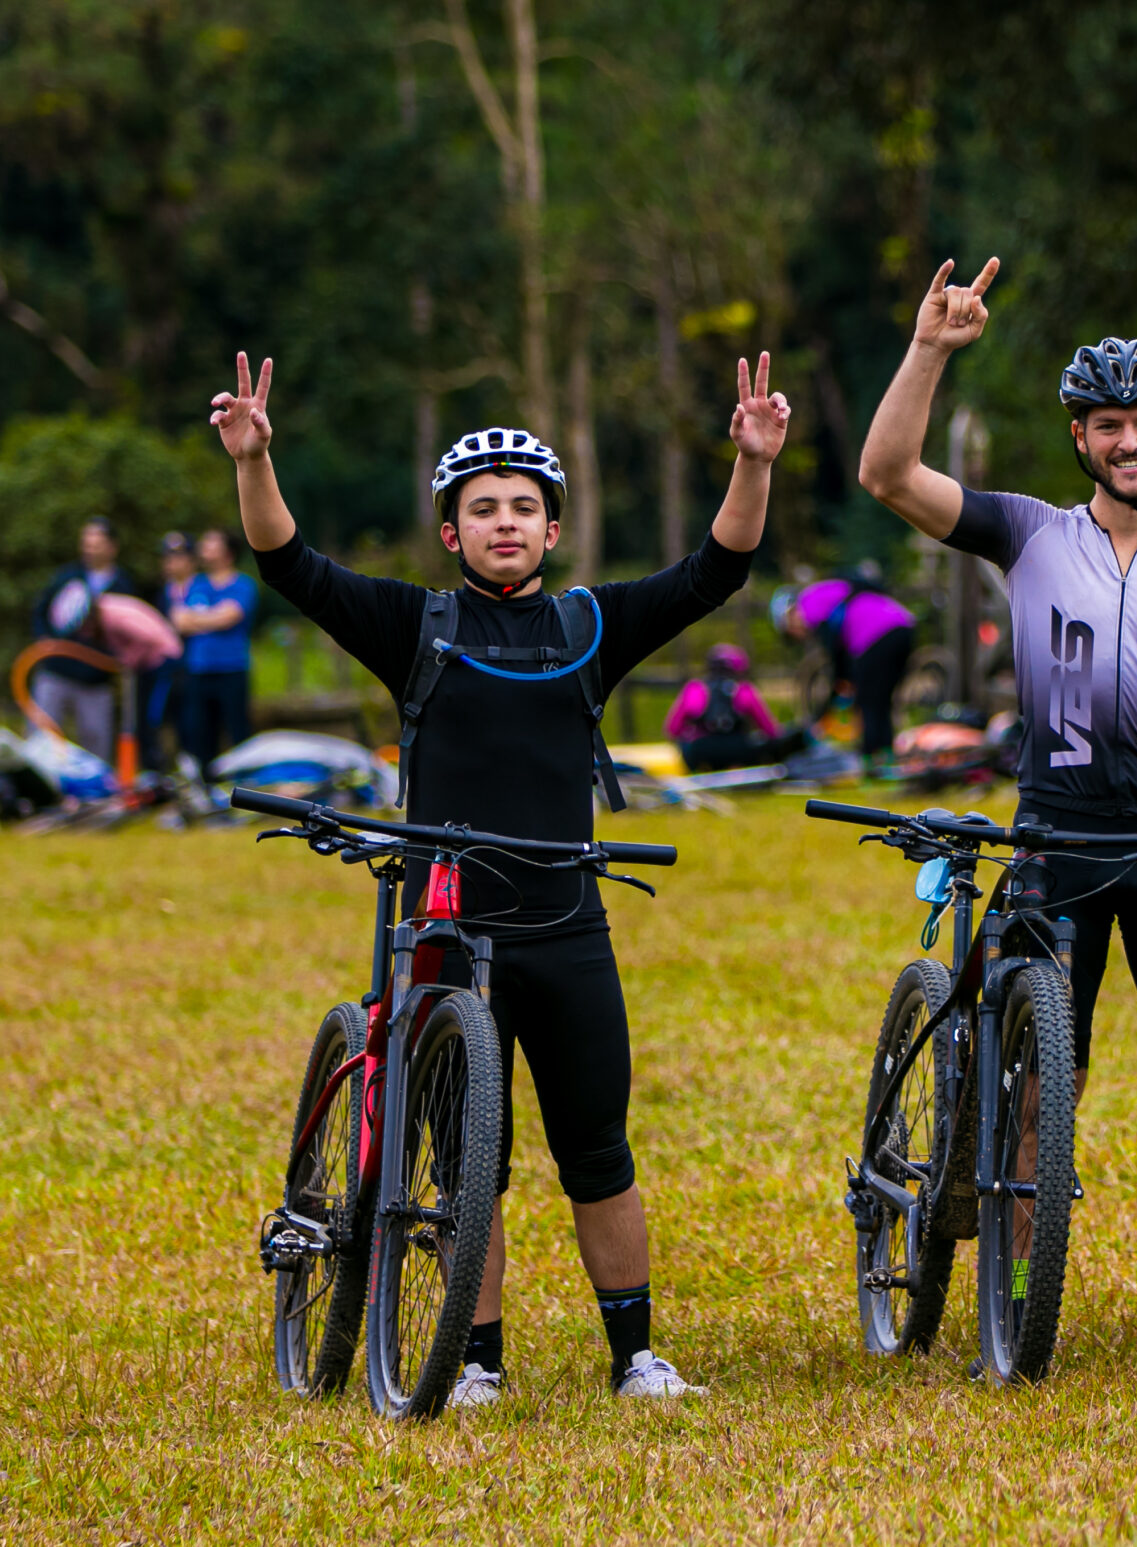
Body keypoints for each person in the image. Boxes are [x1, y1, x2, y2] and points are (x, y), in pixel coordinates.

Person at [208, 348, 793, 1403]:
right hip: (446, 932)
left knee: (598, 1152)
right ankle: (475, 1360)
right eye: (484, 509)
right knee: (470, 1167)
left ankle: (636, 1358)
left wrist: (751, 463)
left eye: (525, 507)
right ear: (452, 530)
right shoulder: (413, 626)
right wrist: (255, 462)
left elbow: (716, 571)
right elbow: (289, 564)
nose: (506, 524)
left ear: (553, 529)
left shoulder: (587, 628)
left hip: (567, 928)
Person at [856, 257, 1137, 1356]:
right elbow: (887, 473)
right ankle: (1011, 1306)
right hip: (1054, 846)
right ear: (1080, 438)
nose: (1129, 443)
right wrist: (930, 348)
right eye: (1108, 425)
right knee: (1032, 1094)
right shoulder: (1025, 534)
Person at [776, 563, 916, 769]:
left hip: (875, 633)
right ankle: (886, 757)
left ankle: (871, 759)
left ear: (789, 616)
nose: (800, 636)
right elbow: (841, 661)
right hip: (903, 625)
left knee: (867, 700)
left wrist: (824, 712)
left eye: (791, 632)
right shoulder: (824, 593)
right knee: (881, 700)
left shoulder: (808, 603)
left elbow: (836, 656)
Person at [30, 517, 138, 763]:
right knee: (41, 737)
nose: (90, 548)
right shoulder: (67, 576)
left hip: (95, 679)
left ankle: (94, 794)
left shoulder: (122, 584)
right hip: (56, 670)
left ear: (112, 547)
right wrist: (44, 639)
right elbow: (40, 609)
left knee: (95, 741)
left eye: (96, 543)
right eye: (86, 542)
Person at [174, 528, 257, 781]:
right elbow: (179, 621)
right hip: (199, 670)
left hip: (232, 668)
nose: (204, 546)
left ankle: (244, 785)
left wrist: (197, 619)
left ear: (228, 552)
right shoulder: (195, 583)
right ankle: (207, 786)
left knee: (237, 730)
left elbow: (230, 617)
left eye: (211, 541)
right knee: (200, 732)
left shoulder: (243, 584)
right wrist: (214, 617)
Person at [664, 642, 795, 772]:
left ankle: (704, 769)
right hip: (740, 751)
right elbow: (770, 731)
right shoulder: (745, 690)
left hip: (701, 752)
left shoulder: (694, 689)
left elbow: (672, 729)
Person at [146, 531, 197, 774]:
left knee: (193, 726)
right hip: (166, 671)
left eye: (178, 557)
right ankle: (167, 771)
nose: (171, 563)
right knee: (160, 721)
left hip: (194, 668)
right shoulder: (162, 592)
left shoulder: (201, 587)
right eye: (167, 558)